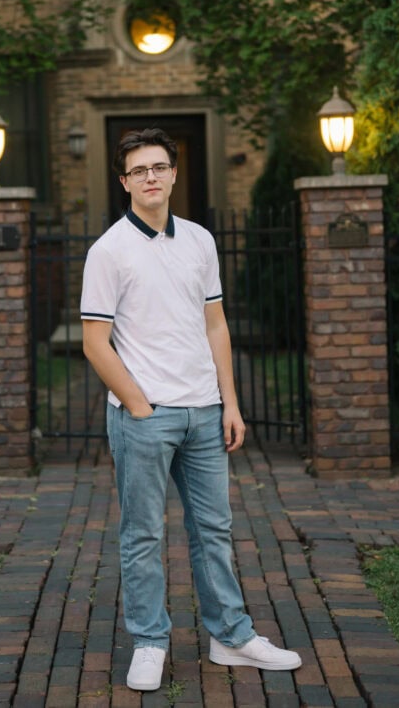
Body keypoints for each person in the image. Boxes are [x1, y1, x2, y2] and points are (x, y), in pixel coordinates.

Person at [80, 127, 301, 692]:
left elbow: (215, 323)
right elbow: (94, 342)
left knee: (215, 530)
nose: (150, 177)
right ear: (124, 180)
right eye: (138, 170)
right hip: (145, 416)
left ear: (174, 173)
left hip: (205, 412)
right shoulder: (109, 250)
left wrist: (229, 401)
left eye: (159, 167)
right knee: (143, 534)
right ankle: (150, 641)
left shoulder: (200, 240)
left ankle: (232, 636)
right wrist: (139, 405)